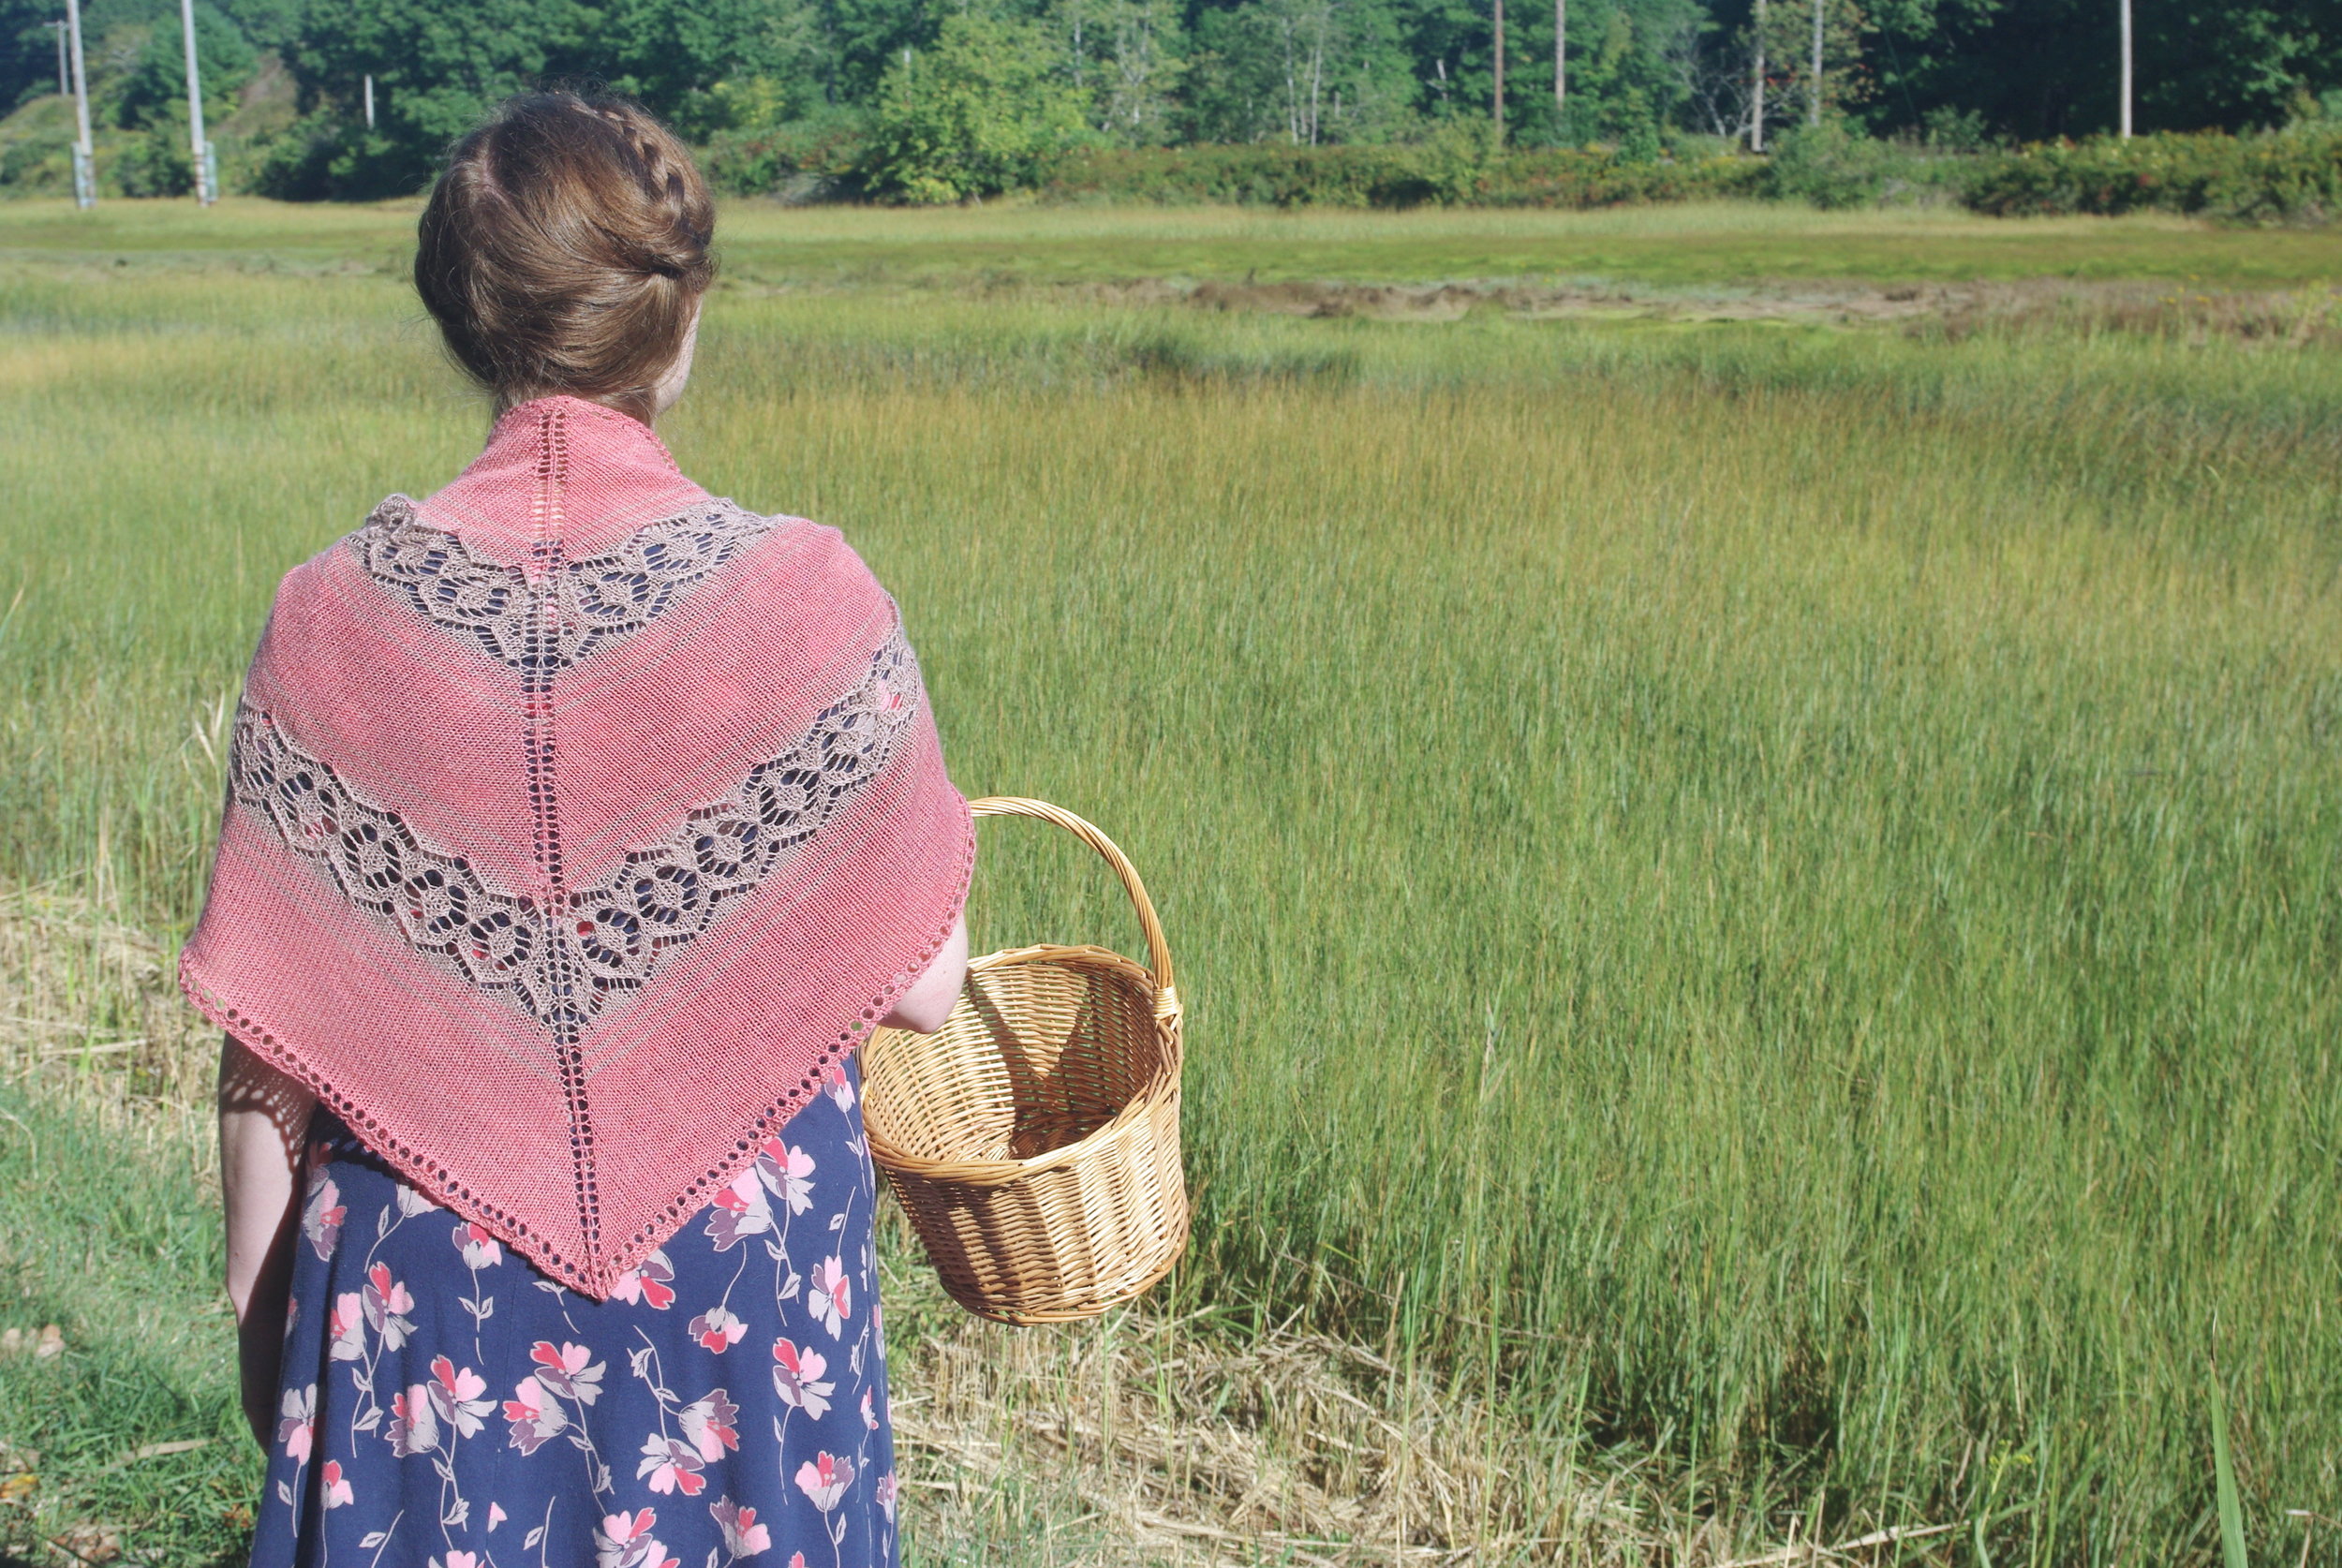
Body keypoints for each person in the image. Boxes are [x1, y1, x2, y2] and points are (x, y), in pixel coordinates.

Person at [186, 93, 973, 1568]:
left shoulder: (330, 616)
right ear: (676, 326)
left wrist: (265, 1328)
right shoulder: (811, 596)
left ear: (464, 321)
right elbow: (928, 982)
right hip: (742, 1308)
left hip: (421, 1303)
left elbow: (268, 1057)